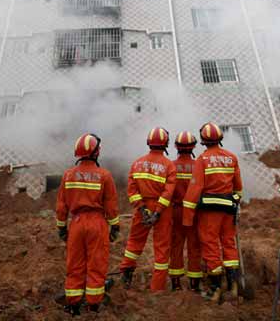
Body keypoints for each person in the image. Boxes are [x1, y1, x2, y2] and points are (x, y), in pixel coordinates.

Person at [56, 133, 120, 316]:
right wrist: (115, 226)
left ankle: (73, 305)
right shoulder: (104, 175)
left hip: (76, 223)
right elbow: (111, 205)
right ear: (95, 153)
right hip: (97, 224)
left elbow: (61, 206)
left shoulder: (68, 175)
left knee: (74, 265)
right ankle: (93, 306)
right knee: (96, 264)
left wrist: (61, 228)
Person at [182, 122, 243, 301]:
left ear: (203, 141)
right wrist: (235, 203)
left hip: (209, 212)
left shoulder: (202, 159)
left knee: (210, 245)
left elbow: (195, 188)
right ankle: (233, 285)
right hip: (228, 209)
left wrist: (188, 217)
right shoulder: (231, 158)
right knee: (228, 243)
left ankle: (215, 287)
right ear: (220, 139)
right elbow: (238, 187)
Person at [119, 127, 177, 292]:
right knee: (162, 248)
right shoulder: (169, 165)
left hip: (141, 208)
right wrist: (157, 212)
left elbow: (131, 190)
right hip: (163, 210)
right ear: (166, 144)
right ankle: (157, 288)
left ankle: (126, 276)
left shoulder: (137, 163)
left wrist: (143, 209)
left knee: (134, 243)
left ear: (148, 143)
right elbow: (168, 191)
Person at [168, 131, 203, 292]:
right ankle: (194, 283)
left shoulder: (171, 166)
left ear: (176, 147)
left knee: (176, 245)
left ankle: (175, 283)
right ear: (194, 147)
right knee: (194, 246)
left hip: (175, 211)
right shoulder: (199, 166)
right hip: (194, 212)